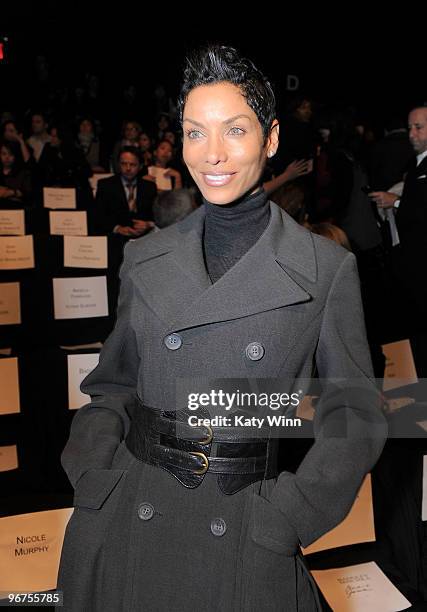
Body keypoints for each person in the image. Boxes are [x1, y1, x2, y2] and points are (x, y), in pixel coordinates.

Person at [57, 45, 385, 612]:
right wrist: (93, 475)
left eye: (234, 130)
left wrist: (290, 514)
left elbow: (355, 412)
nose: (212, 155)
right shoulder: (145, 258)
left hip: (243, 527)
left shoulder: (325, 269)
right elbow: (111, 388)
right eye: (193, 132)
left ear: (272, 138)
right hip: (125, 515)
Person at [369, 106, 427, 376]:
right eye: (410, 127)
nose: (413, 134)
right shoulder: (415, 164)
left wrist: (398, 201)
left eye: (419, 127)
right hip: (410, 264)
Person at [95, 146, 156, 237]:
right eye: (124, 164)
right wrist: (117, 228)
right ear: (119, 165)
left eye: (133, 164)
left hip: (144, 238)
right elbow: (98, 215)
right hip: (115, 237)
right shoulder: (106, 185)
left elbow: (156, 216)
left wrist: (148, 224)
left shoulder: (149, 187)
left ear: (140, 166)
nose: (128, 168)